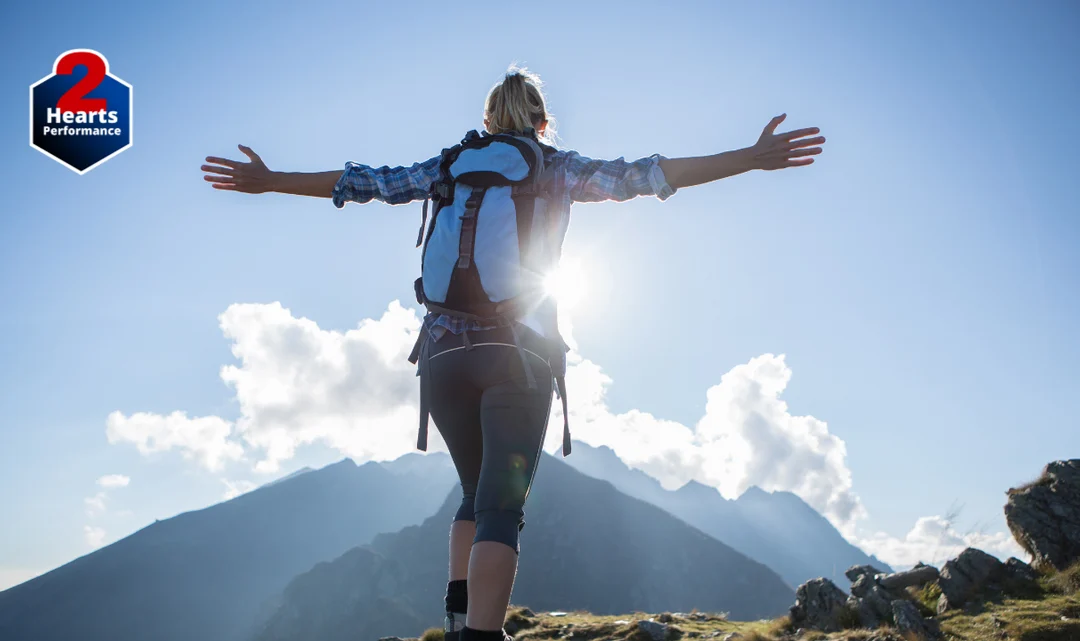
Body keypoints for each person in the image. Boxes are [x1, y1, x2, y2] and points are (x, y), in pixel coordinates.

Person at [201, 67, 825, 641]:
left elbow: (361, 183)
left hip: (442, 358)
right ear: (541, 121)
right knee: (502, 504)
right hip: (517, 355)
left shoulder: (446, 169)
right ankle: (480, 636)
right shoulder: (554, 168)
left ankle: (456, 620)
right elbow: (647, 176)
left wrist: (267, 181)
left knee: (472, 495)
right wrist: (751, 158)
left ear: (490, 118)